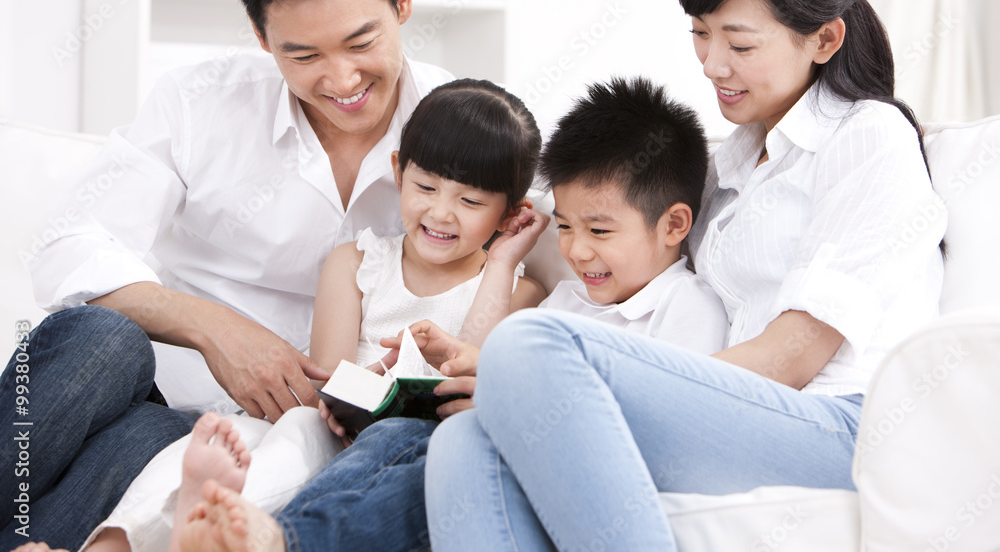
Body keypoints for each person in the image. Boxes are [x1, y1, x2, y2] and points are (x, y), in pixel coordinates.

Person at [423, 0, 948, 550]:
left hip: (841, 426)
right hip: (754, 412)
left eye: (739, 42)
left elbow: (792, 357)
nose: (711, 64)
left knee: (532, 349)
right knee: (464, 440)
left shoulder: (867, 138)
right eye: (700, 32)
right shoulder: (727, 162)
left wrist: (596, 386)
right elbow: (609, 212)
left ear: (825, 37)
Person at [0, 0, 453, 549]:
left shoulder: (462, 126)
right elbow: (69, 243)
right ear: (260, 35)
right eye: (304, 55)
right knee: (102, 336)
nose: (342, 77)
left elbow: (556, 247)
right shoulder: (198, 101)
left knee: (149, 441)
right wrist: (219, 331)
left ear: (403, 0)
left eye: (362, 40)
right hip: (148, 378)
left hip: (218, 438)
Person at [167, 75, 731, 552]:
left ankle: (281, 539)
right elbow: (483, 368)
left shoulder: (687, 308)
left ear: (675, 226)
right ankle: (249, 529)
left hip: (532, 459)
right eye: (563, 226)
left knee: (428, 448)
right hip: (465, 437)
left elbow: (668, 427)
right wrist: (458, 355)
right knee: (395, 445)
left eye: (599, 231)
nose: (576, 251)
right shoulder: (567, 302)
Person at [67, 78, 547, 552]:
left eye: (470, 201)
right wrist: (377, 377)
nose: (441, 213)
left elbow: (471, 368)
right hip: (332, 424)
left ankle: (233, 535)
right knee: (249, 436)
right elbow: (327, 378)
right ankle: (115, 543)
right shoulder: (357, 262)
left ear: (509, 216)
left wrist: (501, 263)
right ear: (398, 173)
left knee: (366, 449)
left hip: (411, 445)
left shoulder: (517, 292)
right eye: (426, 187)